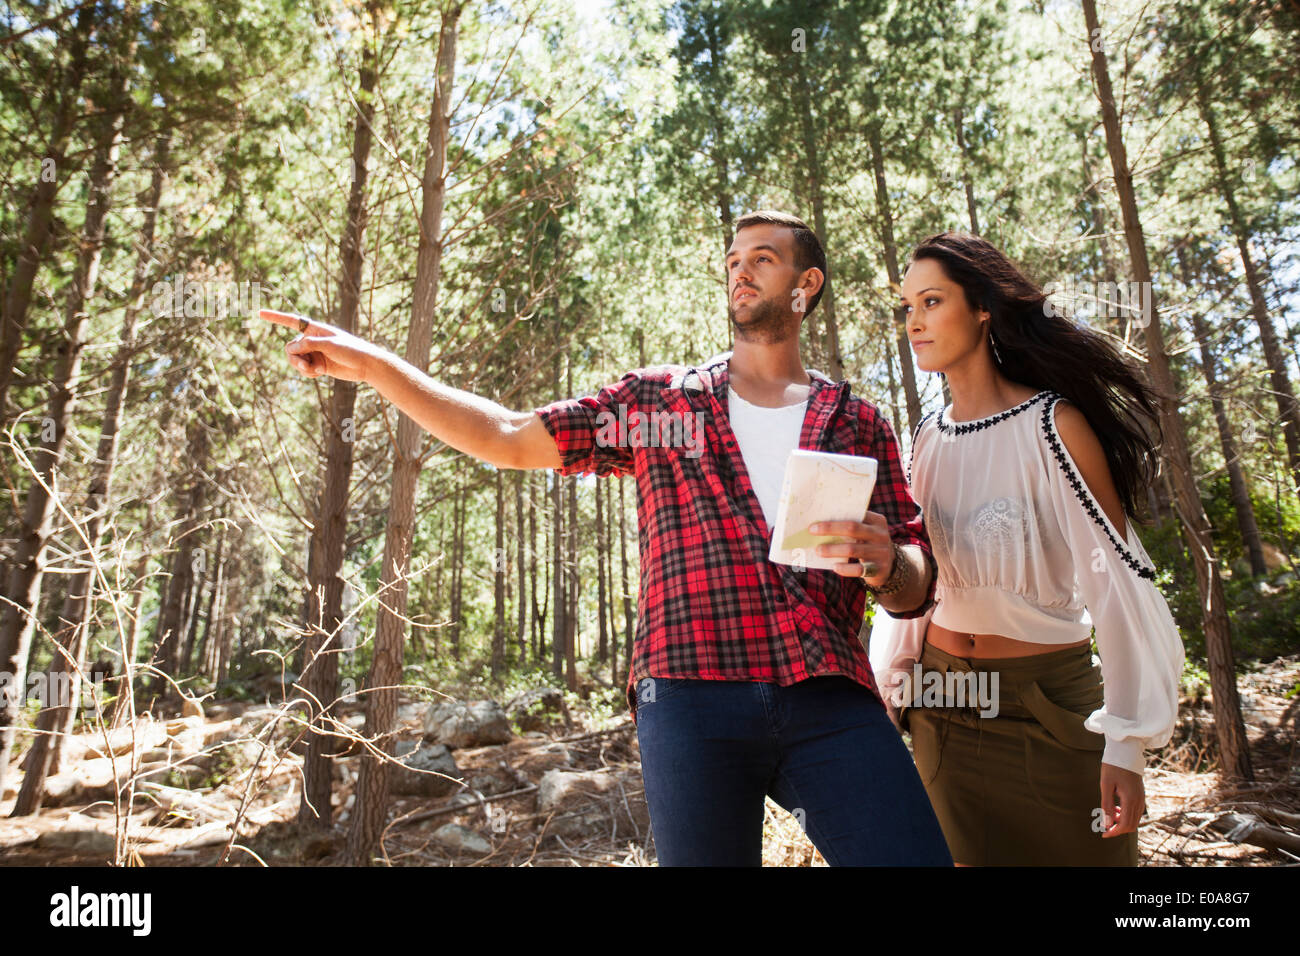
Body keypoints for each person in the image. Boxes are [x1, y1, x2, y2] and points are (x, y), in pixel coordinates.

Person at [261, 210, 951, 866]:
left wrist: (889, 563)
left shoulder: (855, 420)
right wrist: (378, 366)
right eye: (733, 261)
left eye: (763, 261)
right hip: (689, 698)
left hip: (827, 693)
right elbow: (506, 436)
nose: (741, 273)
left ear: (807, 286)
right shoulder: (658, 405)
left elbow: (914, 588)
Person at [869, 232, 1185, 866]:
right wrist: (899, 678)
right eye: (906, 307)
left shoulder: (1052, 424)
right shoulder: (926, 437)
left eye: (931, 301)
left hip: (1050, 710)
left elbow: (1115, 582)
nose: (915, 321)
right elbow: (928, 581)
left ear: (983, 307)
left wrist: (1124, 745)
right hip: (943, 705)